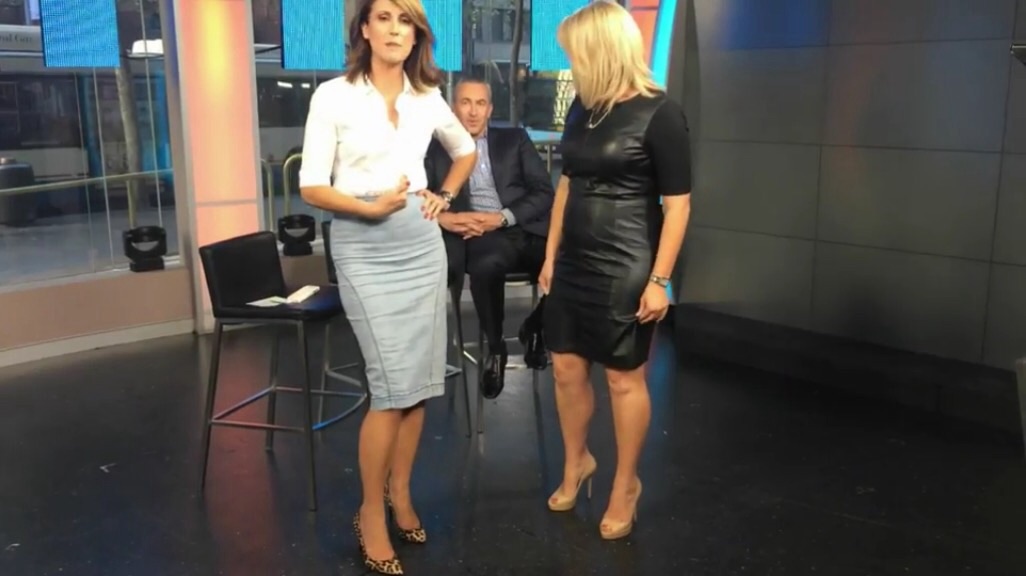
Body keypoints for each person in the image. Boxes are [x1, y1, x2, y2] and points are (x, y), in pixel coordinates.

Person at [297, 0, 476, 573]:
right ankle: (370, 511)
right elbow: (310, 186)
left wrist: (443, 196)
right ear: (365, 29)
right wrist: (368, 208)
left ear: (416, 35)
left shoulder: (427, 96)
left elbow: (465, 149)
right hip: (363, 243)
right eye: (384, 18)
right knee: (389, 384)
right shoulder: (333, 96)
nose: (395, 30)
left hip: (421, 245)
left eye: (406, 21)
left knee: (417, 383)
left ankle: (401, 492)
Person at [539, 0, 693, 541]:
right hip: (574, 259)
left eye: (576, 53)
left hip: (626, 263)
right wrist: (550, 256)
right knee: (565, 367)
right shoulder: (583, 107)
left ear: (602, 50)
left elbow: (678, 207)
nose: (571, 62)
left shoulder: (660, 113)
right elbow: (566, 184)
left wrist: (660, 280)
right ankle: (576, 462)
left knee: (623, 378)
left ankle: (626, 484)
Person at [424, 78, 554, 399]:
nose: (473, 111)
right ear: (453, 108)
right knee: (485, 266)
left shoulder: (514, 140)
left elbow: (543, 191)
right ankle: (496, 350)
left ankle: (535, 326)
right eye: (465, 102)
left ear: (490, 109)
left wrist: (503, 217)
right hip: (479, 235)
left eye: (480, 103)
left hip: (523, 227)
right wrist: (447, 219)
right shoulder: (434, 149)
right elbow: (421, 197)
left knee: (572, 259)